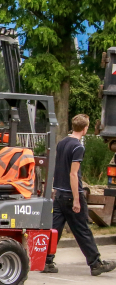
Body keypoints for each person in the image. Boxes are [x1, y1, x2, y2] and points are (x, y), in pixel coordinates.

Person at [43, 114, 116, 276]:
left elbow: (56, 168)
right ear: (85, 129)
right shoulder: (78, 147)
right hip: (70, 194)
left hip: (59, 194)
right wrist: (77, 199)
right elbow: (73, 175)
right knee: (82, 229)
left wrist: (55, 189)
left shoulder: (62, 143)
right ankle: (96, 264)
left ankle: (46, 260)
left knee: (55, 228)